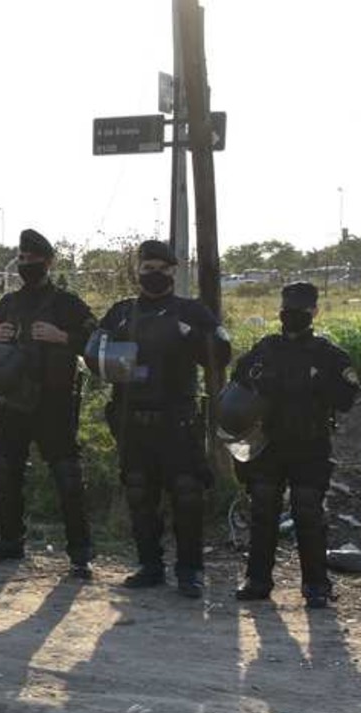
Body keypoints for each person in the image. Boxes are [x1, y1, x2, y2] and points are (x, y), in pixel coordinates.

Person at [90, 240, 231, 598]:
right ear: (138, 271)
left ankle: (190, 570)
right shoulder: (121, 313)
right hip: (132, 418)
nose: (153, 275)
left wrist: (192, 336)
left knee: (186, 493)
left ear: (173, 271)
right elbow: (94, 354)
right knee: (139, 491)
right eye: (147, 267)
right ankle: (149, 565)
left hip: (176, 420)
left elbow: (221, 353)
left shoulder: (191, 311)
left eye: (161, 269)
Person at [227, 282, 359, 609]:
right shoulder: (265, 349)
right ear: (279, 312)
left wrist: (317, 385)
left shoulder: (329, 355)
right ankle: (257, 580)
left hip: (310, 443)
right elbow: (238, 381)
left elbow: (347, 399)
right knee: (263, 509)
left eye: (300, 311)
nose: (292, 316)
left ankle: (316, 585)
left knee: (307, 510)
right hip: (269, 443)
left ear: (314, 312)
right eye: (287, 310)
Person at [0, 229, 98, 578]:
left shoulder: (66, 303)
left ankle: (80, 552)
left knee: (67, 476)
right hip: (13, 400)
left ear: (49, 262)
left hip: (54, 402)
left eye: (33, 259)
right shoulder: (8, 304)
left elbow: (97, 339)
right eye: (23, 259)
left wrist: (64, 337)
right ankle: (10, 541)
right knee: (5, 469)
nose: (27, 264)